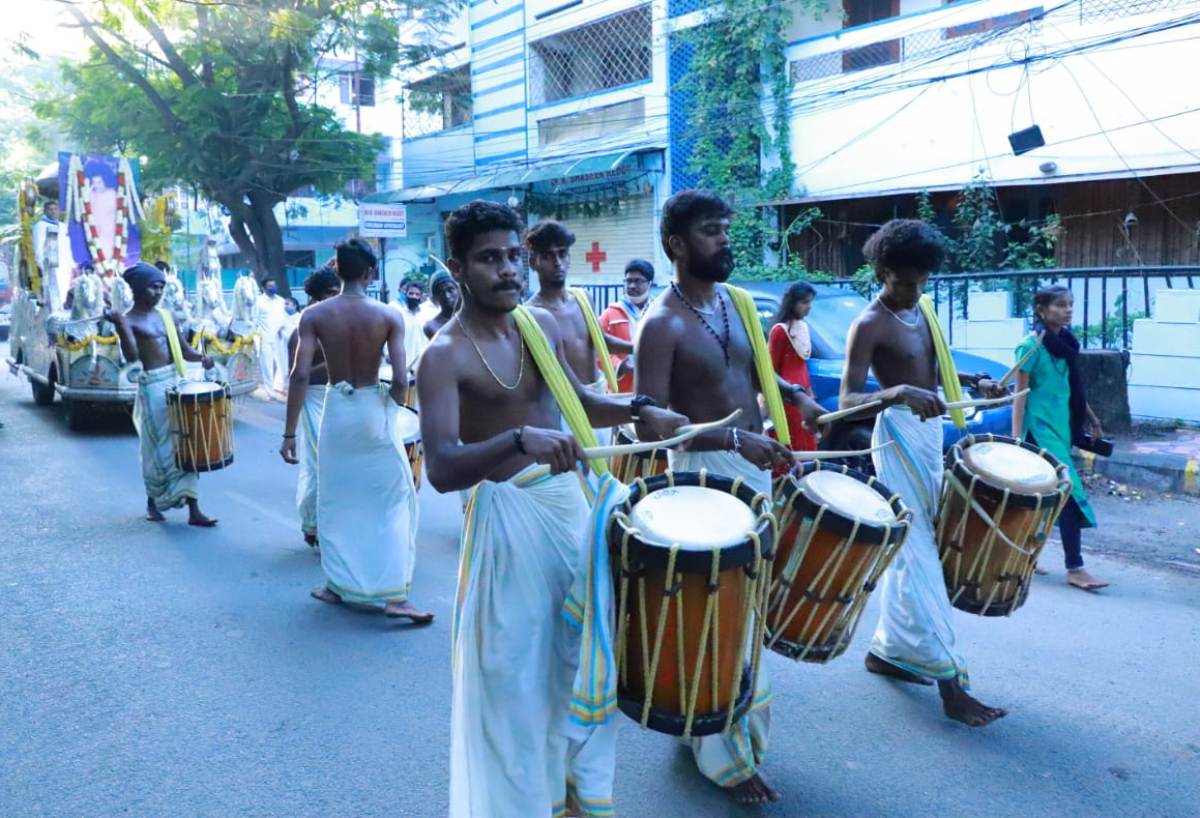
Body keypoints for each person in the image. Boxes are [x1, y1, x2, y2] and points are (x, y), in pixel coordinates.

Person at [419, 200, 685, 818]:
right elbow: (439, 468)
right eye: (491, 258)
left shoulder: (530, 328)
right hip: (509, 532)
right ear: (458, 267)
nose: (509, 270)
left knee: (576, 671)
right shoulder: (444, 354)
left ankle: (571, 801)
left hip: (571, 519)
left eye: (514, 256)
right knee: (515, 690)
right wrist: (516, 441)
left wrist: (641, 409)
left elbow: (581, 400)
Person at [635, 189, 827, 806]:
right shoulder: (660, 323)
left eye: (724, 229)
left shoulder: (736, 304)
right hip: (701, 477)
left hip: (754, 467)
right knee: (722, 616)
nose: (725, 240)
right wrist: (730, 437)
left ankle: (706, 723)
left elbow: (754, 379)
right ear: (676, 245)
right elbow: (647, 423)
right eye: (711, 231)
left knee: (749, 612)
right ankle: (725, 754)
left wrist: (791, 408)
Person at [839, 218, 1007, 727]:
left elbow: (935, 369)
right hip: (896, 438)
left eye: (923, 280)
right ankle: (951, 684)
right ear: (883, 271)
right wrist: (894, 393)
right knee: (920, 555)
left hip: (930, 439)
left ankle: (886, 652)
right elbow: (847, 400)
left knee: (914, 551)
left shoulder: (924, 310)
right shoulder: (868, 322)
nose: (917, 290)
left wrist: (977, 380)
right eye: (907, 282)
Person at [280, 239, 432, 623]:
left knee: (336, 499)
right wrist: (390, 405)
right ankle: (395, 595)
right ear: (369, 272)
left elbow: (299, 375)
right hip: (371, 409)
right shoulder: (388, 315)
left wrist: (288, 433)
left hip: (336, 410)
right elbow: (400, 378)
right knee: (393, 499)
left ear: (338, 270)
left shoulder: (313, 316)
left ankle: (336, 585)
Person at [104, 262, 218, 527]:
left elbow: (185, 350)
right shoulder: (129, 319)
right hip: (152, 387)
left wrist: (203, 358)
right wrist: (120, 324)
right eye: (153, 287)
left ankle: (193, 509)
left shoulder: (166, 316)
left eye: (161, 287)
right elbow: (132, 356)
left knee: (186, 444)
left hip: (175, 382)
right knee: (158, 449)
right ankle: (153, 501)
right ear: (138, 289)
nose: (158, 292)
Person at [1012, 285, 1108, 591]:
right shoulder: (1030, 346)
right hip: (1039, 430)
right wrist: (1016, 439)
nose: (1067, 310)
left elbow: (1071, 388)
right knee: (1069, 492)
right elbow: (1020, 395)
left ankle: (1023, 554)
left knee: (1042, 499)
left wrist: (1091, 418)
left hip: (1061, 428)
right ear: (1041, 310)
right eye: (1060, 305)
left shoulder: (1065, 343)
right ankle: (1075, 568)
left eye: (1070, 304)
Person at [288, 269, 342, 548]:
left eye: (338, 292)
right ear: (314, 296)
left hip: (339, 399)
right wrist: (288, 435)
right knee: (322, 466)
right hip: (313, 400)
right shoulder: (301, 331)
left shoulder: (340, 321)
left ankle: (323, 526)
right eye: (330, 293)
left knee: (329, 466)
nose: (336, 298)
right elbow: (297, 377)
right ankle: (317, 525)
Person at [768, 281, 819, 454]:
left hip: (804, 397)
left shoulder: (803, 328)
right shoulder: (779, 331)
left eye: (810, 302)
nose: (809, 307)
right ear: (792, 303)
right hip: (788, 399)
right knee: (792, 444)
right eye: (804, 302)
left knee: (807, 441)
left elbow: (801, 366)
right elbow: (771, 370)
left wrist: (810, 392)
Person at [598, 259, 654, 393]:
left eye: (638, 281)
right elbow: (596, 349)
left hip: (654, 385)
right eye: (628, 281)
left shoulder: (659, 311)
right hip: (620, 390)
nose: (632, 286)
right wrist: (621, 366)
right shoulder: (610, 313)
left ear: (650, 283)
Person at [256, 278, 289, 397]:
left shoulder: (281, 300)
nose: (273, 288)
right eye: (270, 286)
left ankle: (279, 387)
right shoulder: (258, 301)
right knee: (267, 366)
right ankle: (270, 392)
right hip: (265, 338)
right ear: (264, 288)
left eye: (274, 285)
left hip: (280, 338)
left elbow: (285, 317)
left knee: (283, 364)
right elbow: (255, 320)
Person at [393, 278, 432, 374]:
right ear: (405, 294)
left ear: (421, 297)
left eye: (417, 294)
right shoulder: (398, 315)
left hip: (422, 367)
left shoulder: (426, 316)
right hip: (402, 367)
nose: (414, 296)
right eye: (411, 293)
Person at [423, 269, 459, 340]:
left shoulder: (473, 319)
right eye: (440, 292)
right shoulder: (432, 326)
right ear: (435, 296)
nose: (447, 296)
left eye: (450, 289)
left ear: (458, 290)